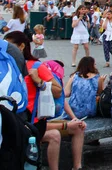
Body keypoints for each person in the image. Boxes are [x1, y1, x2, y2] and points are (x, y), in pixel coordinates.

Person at [4, 31, 86, 170]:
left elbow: (58, 90)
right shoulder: (5, 66)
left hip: (30, 121)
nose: (5, 50)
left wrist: (39, 82)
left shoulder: (35, 66)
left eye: (9, 45)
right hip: (9, 118)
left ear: (21, 46)